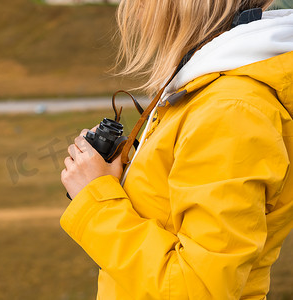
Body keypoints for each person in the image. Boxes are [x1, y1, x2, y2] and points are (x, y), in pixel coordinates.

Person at [60, 0, 293, 299]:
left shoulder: (230, 111)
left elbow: (197, 289)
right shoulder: (209, 93)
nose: (134, 6)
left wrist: (97, 200)